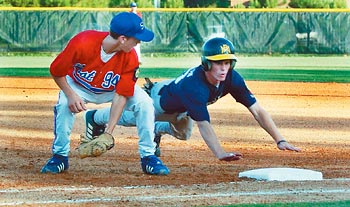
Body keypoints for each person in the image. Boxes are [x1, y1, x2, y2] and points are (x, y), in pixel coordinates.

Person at [40, 12, 169, 175]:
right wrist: (71, 94)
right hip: (79, 86)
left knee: (144, 103)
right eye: (136, 38)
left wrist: (108, 133)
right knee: (64, 104)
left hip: (111, 90)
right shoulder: (82, 42)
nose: (138, 42)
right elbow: (56, 70)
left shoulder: (131, 57)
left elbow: (121, 94)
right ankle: (60, 156)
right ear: (122, 39)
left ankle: (148, 156)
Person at [144, 37, 301, 160]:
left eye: (227, 63)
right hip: (159, 102)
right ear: (206, 64)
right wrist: (220, 153)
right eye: (218, 63)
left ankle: (157, 129)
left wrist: (280, 140)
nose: (224, 68)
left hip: (183, 108)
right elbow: (204, 124)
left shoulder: (232, 79)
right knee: (127, 117)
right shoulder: (194, 86)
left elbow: (257, 110)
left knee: (184, 134)